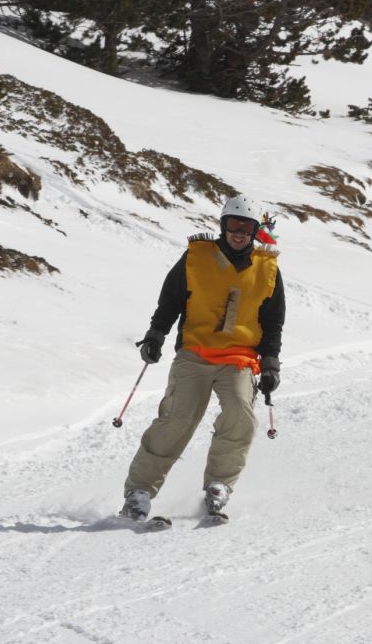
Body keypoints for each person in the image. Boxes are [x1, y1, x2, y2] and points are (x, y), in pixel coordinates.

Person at [119, 195, 284, 521]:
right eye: (232, 225)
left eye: (245, 227)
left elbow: (273, 323)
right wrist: (156, 334)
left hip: (238, 358)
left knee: (240, 414)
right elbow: (170, 300)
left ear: (254, 231)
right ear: (223, 225)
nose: (238, 232)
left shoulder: (267, 268)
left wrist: (270, 363)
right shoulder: (197, 257)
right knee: (176, 419)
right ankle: (138, 493)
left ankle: (218, 486)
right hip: (195, 353)